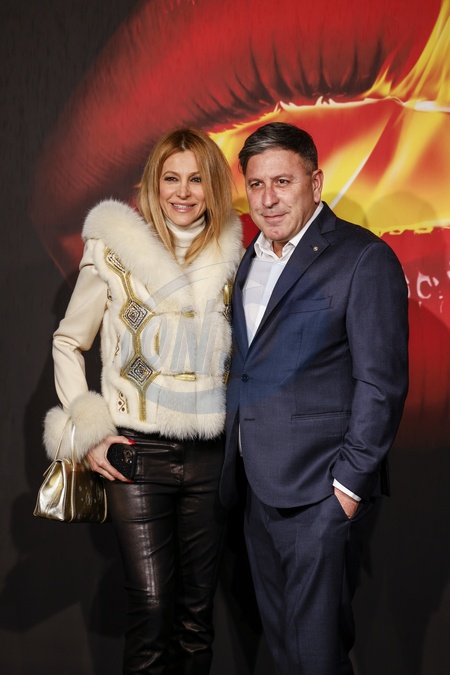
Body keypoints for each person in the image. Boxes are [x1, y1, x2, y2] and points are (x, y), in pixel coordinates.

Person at [43, 128, 243, 674]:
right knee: (151, 609)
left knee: (196, 618)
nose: (183, 192)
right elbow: (68, 341)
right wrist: (88, 431)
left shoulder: (234, 252)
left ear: (213, 186)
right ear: (153, 185)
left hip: (210, 456)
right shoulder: (113, 250)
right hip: (136, 455)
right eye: (171, 178)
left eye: (196, 179)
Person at [219, 122, 409, 675]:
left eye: (283, 181)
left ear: (316, 182)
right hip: (256, 491)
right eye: (256, 185)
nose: (268, 199)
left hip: (318, 495)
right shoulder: (249, 260)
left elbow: (381, 385)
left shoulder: (362, 258)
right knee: (286, 654)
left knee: (316, 657)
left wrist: (345, 491)